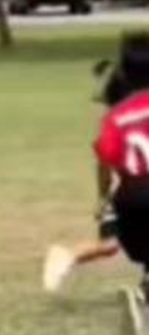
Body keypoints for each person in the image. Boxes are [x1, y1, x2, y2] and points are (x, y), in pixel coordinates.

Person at [43, 58, 128, 292]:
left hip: (129, 192)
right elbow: (104, 165)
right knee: (111, 245)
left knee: (114, 244)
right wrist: (103, 198)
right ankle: (67, 255)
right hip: (126, 193)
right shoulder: (116, 124)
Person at [92, 32, 149, 335]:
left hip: (131, 197)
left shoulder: (116, 115)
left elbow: (104, 159)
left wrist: (103, 198)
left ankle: (144, 297)